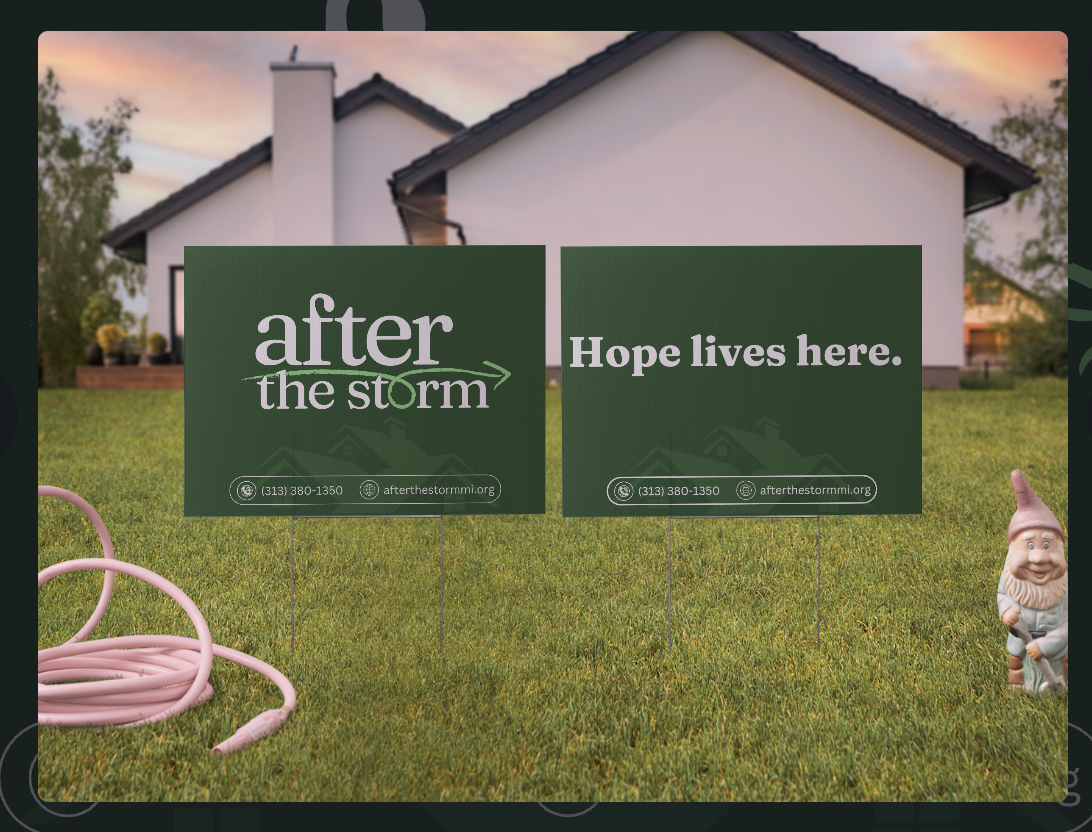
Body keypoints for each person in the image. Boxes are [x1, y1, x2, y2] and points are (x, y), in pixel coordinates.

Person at [997, 470, 1068, 692]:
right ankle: (1018, 683)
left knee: (1064, 663)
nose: (1038, 557)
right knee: (1015, 662)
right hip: (1020, 639)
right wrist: (1006, 611)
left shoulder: (1064, 587)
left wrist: (1045, 645)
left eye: (1047, 545)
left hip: (1055, 645)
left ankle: (1063, 682)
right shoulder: (1010, 580)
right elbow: (1002, 595)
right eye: (1029, 545)